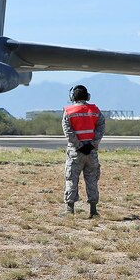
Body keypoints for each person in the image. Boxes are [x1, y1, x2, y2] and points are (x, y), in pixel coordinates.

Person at [61, 84, 106, 218]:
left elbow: (68, 132)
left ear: (72, 96)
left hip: (75, 152)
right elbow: (101, 127)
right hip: (91, 152)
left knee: (71, 179)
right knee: (92, 180)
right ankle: (93, 210)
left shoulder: (69, 111)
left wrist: (79, 145)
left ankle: (70, 210)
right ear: (87, 96)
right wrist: (91, 145)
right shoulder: (95, 110)